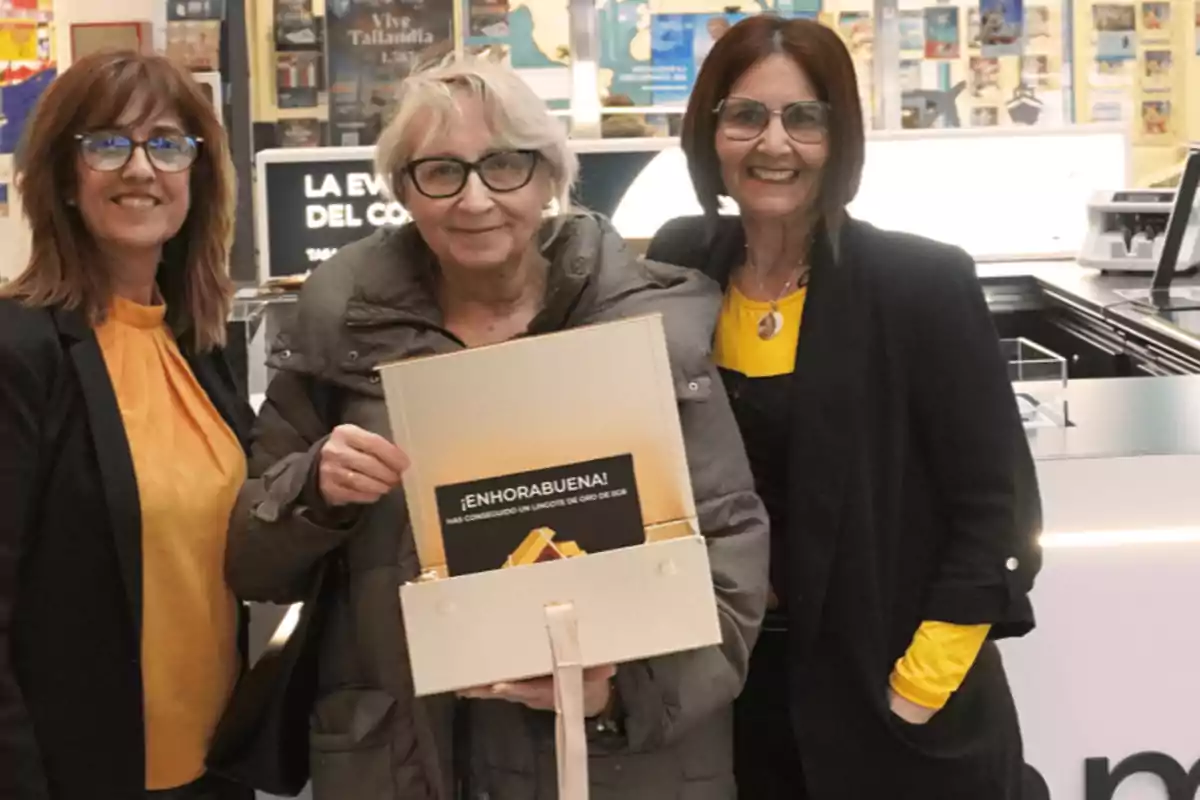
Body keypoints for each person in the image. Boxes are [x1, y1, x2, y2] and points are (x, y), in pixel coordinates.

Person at [225, 55, 769, 799]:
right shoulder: (340, 335)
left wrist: (619, 694)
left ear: (550, 177)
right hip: (406, 763)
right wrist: (315, 490)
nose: (474, 199)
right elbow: (252, 564)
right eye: (440, 172)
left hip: (610, 764)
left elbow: (730, 562)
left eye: (504, 165)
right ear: (402, 190)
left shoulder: (644, 334)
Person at [646, 16, 1042, 800]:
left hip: (887, 704)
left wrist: (917, 691)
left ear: (842, 137)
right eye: (746, 115)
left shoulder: (917, 283)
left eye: (805, 118)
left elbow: (997, 513)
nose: (774, 144)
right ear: (710, 131)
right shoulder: (680, 261)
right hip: (730, 698)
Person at [0, 52, 253, 800]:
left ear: (196, 177)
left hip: (215, 767)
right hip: (83, 776)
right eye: (107, 142)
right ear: (64, 177)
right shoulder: (19, 353)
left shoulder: (199, 346)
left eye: (167, 144)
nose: (140, 168)